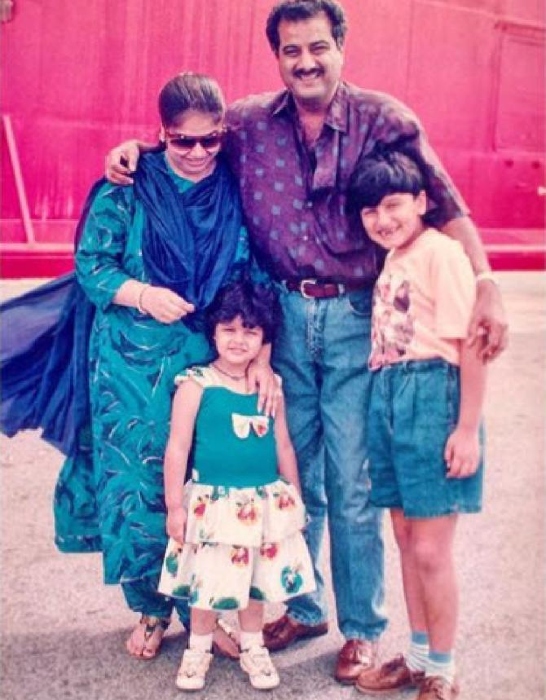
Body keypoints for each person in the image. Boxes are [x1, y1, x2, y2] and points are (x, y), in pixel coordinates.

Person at [104, 0, 507, 683]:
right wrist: (137, 149)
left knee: (351, 482)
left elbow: (445, 202)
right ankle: (304, 604)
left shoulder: (384, 119)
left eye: (318, 47)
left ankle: (362, 630)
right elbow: (192, 140)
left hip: (355, 314)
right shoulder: (250, 122)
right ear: (278, 57)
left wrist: (487, 281)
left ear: (340, 46)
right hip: (285, 316)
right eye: (291, 50)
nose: (306, 61)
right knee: (291, 472)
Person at [50, 72, 277, 663]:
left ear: (222, 134)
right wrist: (143, 294)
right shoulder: (127, 186)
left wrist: (262, 358)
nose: (197, 152)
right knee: (140, 489)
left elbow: (253, 280)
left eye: (209, 140)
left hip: (210, 361)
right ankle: (151, 610)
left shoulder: (233, 189)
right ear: (161, 133)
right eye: (182, 140)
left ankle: (206, 610)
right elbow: (92, 264)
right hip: (129, 367)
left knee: (208, 488)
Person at [346, 150, 486, 700]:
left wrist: (467, 428)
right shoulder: (394, 258)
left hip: (432, 395)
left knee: (430, 549)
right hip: (388, 393)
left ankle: (443, 670)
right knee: (405, 539)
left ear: (422, 202)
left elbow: (471, 341)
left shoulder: (441, 253)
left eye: (392, 205)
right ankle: (419, 655)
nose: (382, 220)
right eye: (369, 211)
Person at [157, 281, 315, 691]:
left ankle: (253, 646)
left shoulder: (270, 385)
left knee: (254, 583)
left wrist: (294, 498)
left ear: (264, 339)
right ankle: (198, 649)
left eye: (250, 331)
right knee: (208, 583)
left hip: (261, 503)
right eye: (228, 329)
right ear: (213, 331)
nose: (238, 340)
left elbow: (283, 444)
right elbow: (177, 447)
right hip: (212, 505)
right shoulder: (196, 383)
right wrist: (175, 507)